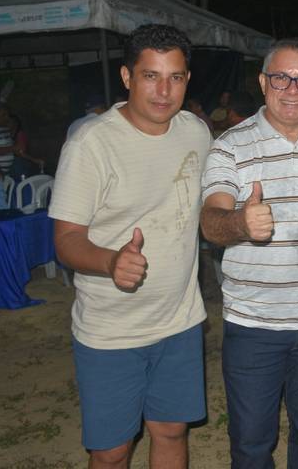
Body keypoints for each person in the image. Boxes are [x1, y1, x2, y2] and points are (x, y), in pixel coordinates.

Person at [49, 24, 211, 469]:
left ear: (187, 80)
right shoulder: (91, 144)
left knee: (172, 431)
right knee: (111, 451)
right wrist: (110, 260)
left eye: (175, 77)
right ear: (126, 77)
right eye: (150, 75)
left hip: (179, 320)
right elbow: (65, 240)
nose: (164, 91)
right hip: (110, 330)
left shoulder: (196, 132)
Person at [200, 38, 298, 468]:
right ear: (263, 82)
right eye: (281, 77)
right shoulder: (229, 146)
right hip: (254, 324)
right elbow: (210, 222)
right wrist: (239, 224)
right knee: (251, 441)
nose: (292, 88)